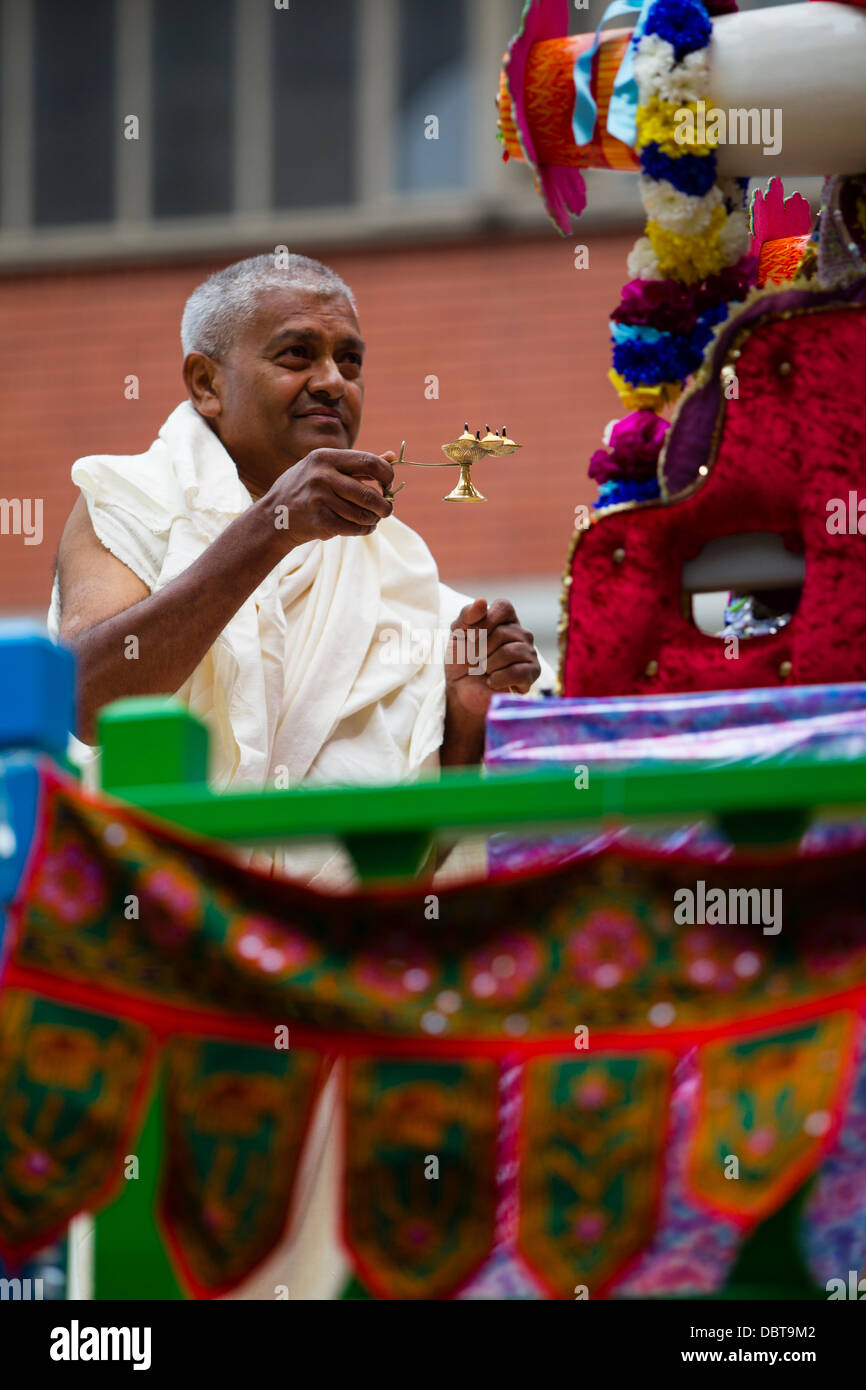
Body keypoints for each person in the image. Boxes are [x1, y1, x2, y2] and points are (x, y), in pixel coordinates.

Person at [48, 251, 548, 889]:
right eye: (296, 355)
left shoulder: (394, 563)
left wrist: (465, 713)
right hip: (157, 917)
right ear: (206, 383)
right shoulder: (127, 498)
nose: (333, 381)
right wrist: (271, 527)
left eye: (351, 361)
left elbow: (419, 845)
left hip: (333, 950)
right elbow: (89, 698)